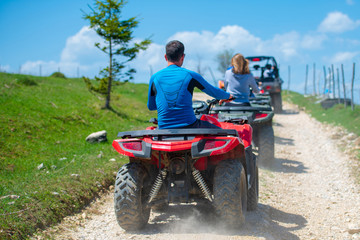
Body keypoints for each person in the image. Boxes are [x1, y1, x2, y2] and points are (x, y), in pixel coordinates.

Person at [147, 40, 233, 129]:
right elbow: (213, 91)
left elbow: (151, 106)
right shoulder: (190, 75)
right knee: (222, 132)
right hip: (190, 125)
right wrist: (228, 96)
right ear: (183, 57)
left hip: (163, 128)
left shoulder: (154, 78)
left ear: (165, 57)